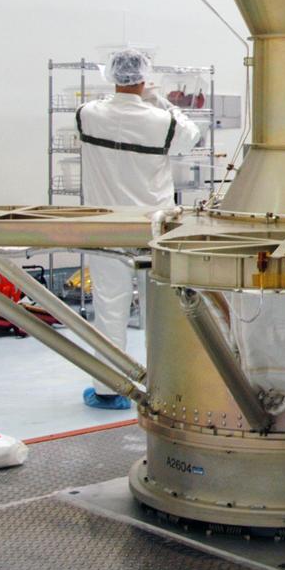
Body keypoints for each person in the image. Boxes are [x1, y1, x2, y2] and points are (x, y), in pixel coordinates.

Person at [77, 49, 201, 408]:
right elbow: (191, 136)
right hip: (153, 226)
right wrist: (162, 103)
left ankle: (108, 388)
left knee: (110, 304)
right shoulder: (163, 122)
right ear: (145, 79)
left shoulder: (88, 114)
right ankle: (165, 387)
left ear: (111, 77)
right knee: (159, 309)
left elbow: (102, 111)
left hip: (106, 227)